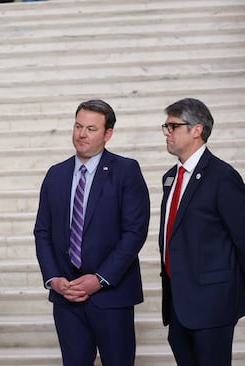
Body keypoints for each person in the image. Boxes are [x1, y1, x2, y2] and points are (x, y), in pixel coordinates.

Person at [34, 99, 150, 365]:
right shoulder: (56, 174)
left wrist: (99, 278)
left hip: (111, 295)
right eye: (77, 126)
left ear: (107, 134)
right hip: (67, 298)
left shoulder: (126, 171)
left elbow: (134, 232)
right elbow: (42, 232)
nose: (81, 134)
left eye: (91, 128)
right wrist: (53, 278)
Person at [159, 98, 245, 365]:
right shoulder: (170, 177)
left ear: (196, 130)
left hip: (213, 307)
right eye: (166, 127)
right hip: (179, 305)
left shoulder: (222, 177)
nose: (167, 133)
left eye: (173, 126)